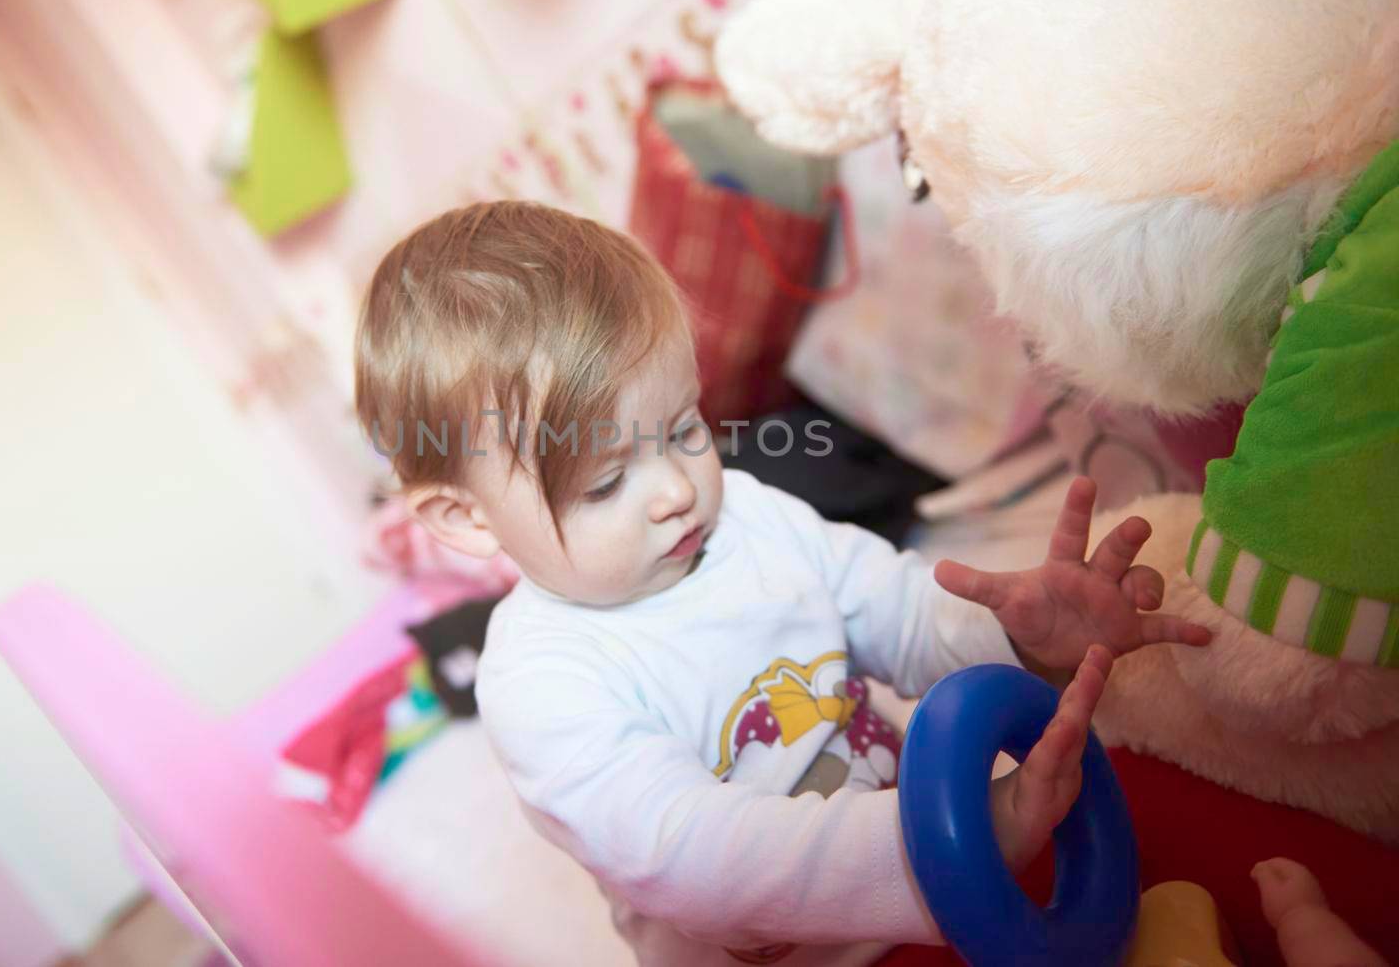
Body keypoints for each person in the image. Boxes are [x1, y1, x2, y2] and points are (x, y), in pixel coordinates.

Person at [354, 201, 1210, 965]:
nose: (676, 489)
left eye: (685, 427)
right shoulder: (543, 685)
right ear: (466, 519)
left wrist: (1019, 635)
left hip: (955, 868)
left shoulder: (750, 518)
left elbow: (900, 613)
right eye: (607, 482)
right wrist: (957, 840)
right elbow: (701, 859)